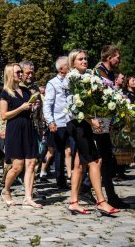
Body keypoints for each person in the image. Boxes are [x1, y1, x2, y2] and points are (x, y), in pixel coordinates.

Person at [65, 49, 120, 215]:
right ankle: (101, 201)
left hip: (85, 122)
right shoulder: (72, 78)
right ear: (73, 62)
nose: (84, 61)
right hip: (78, 123)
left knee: (79, 164)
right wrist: (91, 120)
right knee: (95, 161)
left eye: (86, 58)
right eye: (80, 59)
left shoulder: (89, 75)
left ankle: (74, 201)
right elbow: (76, 106)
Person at [0, 63, 42, 208]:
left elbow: (28, 108)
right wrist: (21, 108)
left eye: (20, 72)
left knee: (31, 163)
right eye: (18, 72)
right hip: (15, 129)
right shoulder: (5, 92)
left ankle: (28, 197)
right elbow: (4, 115)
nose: (20, 74)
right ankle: (6, 190)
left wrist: (32, 106)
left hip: (28, 128)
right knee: (17, 166)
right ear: (10, 74)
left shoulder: (25, 90)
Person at [93, 45, 129, 209]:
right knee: (102, 158)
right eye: (117, 57)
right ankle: (95, 191)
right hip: (98, 120)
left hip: (108, 119)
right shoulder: (97, 72)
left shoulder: (110, 73)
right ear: (109, 57)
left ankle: (107, 193)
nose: (119, 60)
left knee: (105, 158)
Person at [42, 56, 71, 188]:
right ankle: (60, 179)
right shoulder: (52, 83)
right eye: (68, 65)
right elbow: (47, 104)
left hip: (71, 121)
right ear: (61, 68)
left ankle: (75, 176)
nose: (70, 66)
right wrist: (50, 121)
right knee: (59, 151)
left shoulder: (72, 80)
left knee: (71, 151)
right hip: (59, 122)